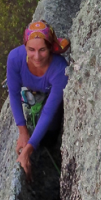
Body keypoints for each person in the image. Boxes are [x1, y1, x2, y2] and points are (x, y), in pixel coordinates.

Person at [6, 20, 69, 180]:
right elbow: (13, 94)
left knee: (51, 128)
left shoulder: (60, 69)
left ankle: (49, 144)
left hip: (51, 96)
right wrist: (22, 131)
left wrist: (28, 150)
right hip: (32, 90)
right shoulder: (15, 58)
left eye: (42, 50)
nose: (37, 56)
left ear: (50, 48)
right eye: (31, 50)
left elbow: (48, 112)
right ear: (25, 47)